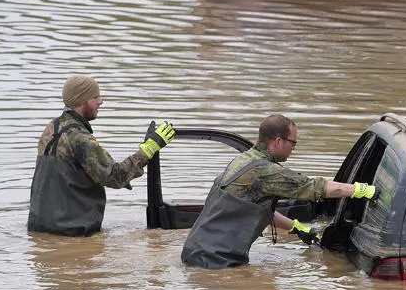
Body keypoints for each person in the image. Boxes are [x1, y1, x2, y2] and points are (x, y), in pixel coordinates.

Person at [181, 113, 380, 269]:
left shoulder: (244, 160)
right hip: (214, 263)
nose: (294, 148)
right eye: (293, 143)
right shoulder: (266, 172)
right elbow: (312, 187)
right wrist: (359, 190)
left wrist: (296, 227)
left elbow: (254, 208)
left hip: (196, 252)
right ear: (278, 141)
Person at [28, 75, 176, 236]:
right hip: (73, 235)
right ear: (81, 100)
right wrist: (149, 148)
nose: (100, 101)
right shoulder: (80, 138)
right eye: (95, 97)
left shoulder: (51, 129)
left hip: (40, 230)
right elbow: (115, 176)